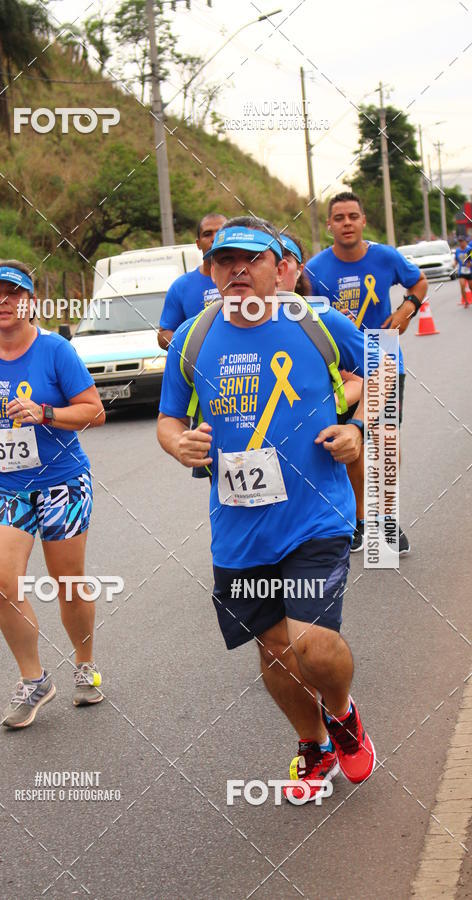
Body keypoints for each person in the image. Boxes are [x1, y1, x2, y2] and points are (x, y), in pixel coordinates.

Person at [157, 217, 376, 802]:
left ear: (279, 269)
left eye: (250, 260)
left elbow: (383, 371)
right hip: (238, 529)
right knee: (276, 650)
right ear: (211, 271)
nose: (237, 270)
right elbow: (168, 419)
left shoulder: (319, 324)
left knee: (312, 643)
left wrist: (356, 427)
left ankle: (343, 714)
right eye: (225, 261)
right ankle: (313, 745)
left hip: (316, 515)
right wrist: (178, 444)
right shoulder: (193, 338)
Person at [0, 260, 106, 728]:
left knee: (67, 582)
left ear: (30, 302)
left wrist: (45, 413)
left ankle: (84, 663)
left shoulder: (56, 351)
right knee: (1, 583)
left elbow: (94, 412)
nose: (2, 301)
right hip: (3, 484)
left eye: (13, 293)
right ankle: (35, 679)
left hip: (61, 480)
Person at [307, 191, 428, 555]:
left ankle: (388, 518)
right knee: (354, 447)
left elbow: (418, 282)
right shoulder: (315, 269)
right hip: (341, 369)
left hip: (383, 358)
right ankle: (361, 520)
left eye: (353, 216)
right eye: (339, 217)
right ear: (329, 225)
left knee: (387, 440)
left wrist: (408, 309)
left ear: (363, 221)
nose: (346, 223)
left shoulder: (385, 257)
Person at [279, 233, 366, 551]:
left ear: (296, 268)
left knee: (357, 457)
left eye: (284, 260)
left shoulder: (320, 318)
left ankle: (361, 519)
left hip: (332, 415)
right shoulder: (230, 323)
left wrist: (345, 417)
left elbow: (371, 374)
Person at [157, 213, 227, 350]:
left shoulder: (246, 278)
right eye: (207, 234)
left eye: (221, 233)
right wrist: (192, 344)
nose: (214, 238)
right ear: (198, 244)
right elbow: (164, 335)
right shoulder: (181, 286)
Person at [454, 235, 472, 306]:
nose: (461, 243)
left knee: (471, 287)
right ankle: (466, 301)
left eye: (462, 241)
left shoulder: (469, 249)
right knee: (462, 285)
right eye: (460, 242)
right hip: (461, 271)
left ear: (465, 242)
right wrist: (454, 264)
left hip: (470, 271)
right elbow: (456, 259)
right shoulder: (457, 250)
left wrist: (470, 263)